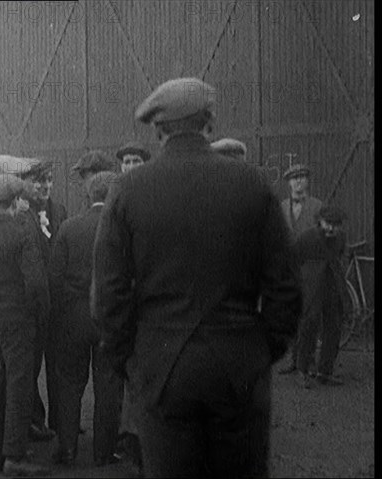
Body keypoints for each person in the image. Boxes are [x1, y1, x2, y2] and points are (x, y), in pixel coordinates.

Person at [92, 77, 302, 478]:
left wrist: (131, 361)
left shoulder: (128, 190)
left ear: (158, 130)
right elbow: (286, 287)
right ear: (210, 124)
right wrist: (261, 349)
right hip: (240, 364)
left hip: (161, 367)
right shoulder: (253, 183)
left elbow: (108, 295)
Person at [0, 174, 51, 476]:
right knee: (19, 385)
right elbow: (35, 283)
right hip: (18, 318)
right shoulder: (22, 232)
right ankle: (14, 456)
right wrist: (41, 314)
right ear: (15, 202)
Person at [50, 171, 123, 467]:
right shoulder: (120, 229)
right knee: (108, 384)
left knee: (69, 382)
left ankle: (67, 448)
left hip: (74, 318)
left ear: (88, 195)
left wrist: (67, 306)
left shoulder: (69, 228)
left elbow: (54, 277)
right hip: (108, 319)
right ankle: (104, 453)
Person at [19, 159, 67, 440]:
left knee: (58, 365)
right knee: (30, 366)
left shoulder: (58, 210)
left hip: (57, 302)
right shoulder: (20, 213)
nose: (45, 186)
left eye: (48, 180)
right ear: (25, 184)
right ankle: (32, 421)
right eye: (38, 181)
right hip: (33, 305)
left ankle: (62, 422)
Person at [294, 205, 350, 388]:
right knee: (309, 324)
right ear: (320, 221)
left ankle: (325, 372)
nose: (332, 228)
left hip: (333, 284)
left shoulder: (341, 238)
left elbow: (339, 257)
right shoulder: (306, 237)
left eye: (336, 224)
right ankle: (303, 370)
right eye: (328, 223)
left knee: (334, 325)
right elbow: (295, 260)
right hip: (312, 286)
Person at [278, 162, 323, 375]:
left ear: (307, 181)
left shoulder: (318, 206)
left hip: (312, 271)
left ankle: (309, 359)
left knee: (311, 316)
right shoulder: (281, 206)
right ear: (288, 183)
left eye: (301, 177)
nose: (297, 182)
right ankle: (294, 359)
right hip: (289, 272)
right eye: (293, 178)